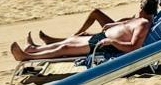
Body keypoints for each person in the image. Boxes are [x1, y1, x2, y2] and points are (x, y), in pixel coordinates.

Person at [11, 4, 153, 62]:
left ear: (143, 8)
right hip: (103, 37)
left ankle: (26, 56)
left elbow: (134, 47)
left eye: (140, 5)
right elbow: (125, 26)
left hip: (104, 44)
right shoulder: (141, 20)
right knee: (69, 42)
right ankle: (34, 49)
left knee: (64, 49)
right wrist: (113, 25)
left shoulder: (144, 24)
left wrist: (112, 42)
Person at [34, 0, 160, 46]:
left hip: (117, 32)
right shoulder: (148, 17)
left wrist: (115, 24)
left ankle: (62, 39)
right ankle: (70, 37)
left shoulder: (145, 19)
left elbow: (130, 30)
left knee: (95, 14)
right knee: (94, 16)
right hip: (117, 28)